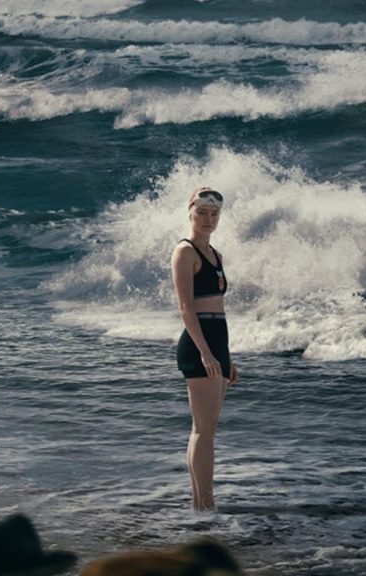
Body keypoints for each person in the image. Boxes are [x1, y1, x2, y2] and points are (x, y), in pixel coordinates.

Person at [171, 186, 238, 512]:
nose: (208, 220)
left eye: (214, 214)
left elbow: (219, 309)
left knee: (206, 428)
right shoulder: (184, 252)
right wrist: (206, 353)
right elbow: (186, 308)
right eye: (202, 213)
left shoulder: (216, 255)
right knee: (203, 429)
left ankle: (200, 504)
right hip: (199, 343)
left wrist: (227, 356)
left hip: (217, 340)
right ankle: (205, 506)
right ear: (190, 212)